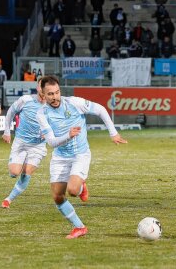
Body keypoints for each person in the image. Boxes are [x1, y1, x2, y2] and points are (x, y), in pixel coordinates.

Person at [36, 75, 127, 239]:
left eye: (57, 92)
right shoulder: (41, 114)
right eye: (50, 94)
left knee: (72, 190)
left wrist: (113, 133)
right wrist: (68, 136)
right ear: (43, 95)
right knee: (57, 196)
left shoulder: (74, 102)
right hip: (60, 156)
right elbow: (51, 142)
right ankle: (79, 227)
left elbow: (100, 109)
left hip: (80, 154)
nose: (55, 97)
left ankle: (80, 186)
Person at [1, 79, 47, 208]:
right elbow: (11, 112)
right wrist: (7, 131)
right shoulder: (25, 100)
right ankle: (16, 165)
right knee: (14, 172)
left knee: (27, 173)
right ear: (38, 87)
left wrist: (49, 133)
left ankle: (8, 200)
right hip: (21, 142)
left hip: (38, 146)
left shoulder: (52, 105)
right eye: (41, 85)